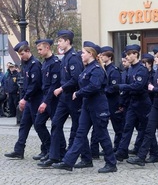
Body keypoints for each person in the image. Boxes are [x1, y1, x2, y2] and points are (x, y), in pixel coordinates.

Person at [52, 41, 117, 173]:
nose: (81, 55)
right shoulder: (87, 68)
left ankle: (111, 163)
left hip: (98, 106)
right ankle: (68, 162)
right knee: (80, 134)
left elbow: (94, 86)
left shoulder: (97, 69)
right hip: (87, 106)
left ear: (91, 54)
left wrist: (78, 93)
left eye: (84, 53)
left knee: (102, 135)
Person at [38, 30, 83, 167]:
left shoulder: (73, 57)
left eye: (60, 41)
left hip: (72, 97)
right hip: (64, 98)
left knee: (78, 127)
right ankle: (55, 156)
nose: (58, 43)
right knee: (56, 123)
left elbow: (76, 79)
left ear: (67, 41)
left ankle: (85, 157)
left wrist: (62, 88)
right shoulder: (65, 57)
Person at [4, 41, 43, 159]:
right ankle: (19, 150)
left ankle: (47, 149)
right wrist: (23, 99)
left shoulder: (35, 64)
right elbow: (25, 84)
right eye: (20, 54)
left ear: (28, 51)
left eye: (22, 54)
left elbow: (35, 85)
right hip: (28, 100)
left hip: (35, 99)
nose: (21, 56)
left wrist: (24, 99)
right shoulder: (25, 64)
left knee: (39, 126)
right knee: (24, 125)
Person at [114, 44, 152, 161]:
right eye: (126, 55)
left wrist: (122, 86)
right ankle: (121, 152)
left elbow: (138, 86)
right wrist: (122, 103)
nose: (127, 57)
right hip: (132, 102)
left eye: (129, 55)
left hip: (143, 102)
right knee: (127, 127)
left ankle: (153, 153)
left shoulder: (142, 69)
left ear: (135, 54)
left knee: (146, 129)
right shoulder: (130, 69)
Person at [31, 39, 61, 161]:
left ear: (47, 48)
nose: (38, 52)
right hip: (45, 98)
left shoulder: (55, 63)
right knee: (38, 124)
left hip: (52, 100)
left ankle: (58, 152)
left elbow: (53, 86)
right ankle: (49, 149)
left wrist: (45, 102)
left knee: (56, 126)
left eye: (40, 49)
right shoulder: (45, 63)